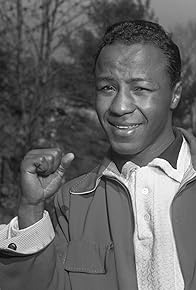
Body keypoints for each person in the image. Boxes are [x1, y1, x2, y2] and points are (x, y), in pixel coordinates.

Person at [0, 19, 196, 290]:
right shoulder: (70, 202)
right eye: (108, 88)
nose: (120, 106)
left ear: (175, 95)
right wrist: (32, 209)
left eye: (140, 88)